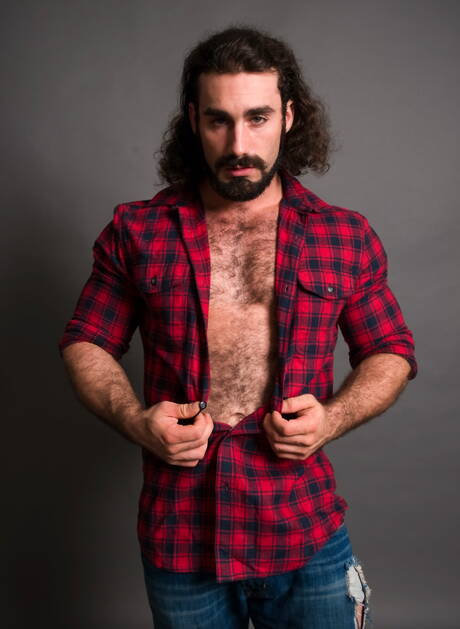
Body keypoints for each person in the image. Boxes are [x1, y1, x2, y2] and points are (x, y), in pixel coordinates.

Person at [59, 26, 417, 629]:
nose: (238, 144)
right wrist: (136, 422)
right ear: (193, 121)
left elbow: (390, 350)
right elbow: (87, 341)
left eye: (258, 118)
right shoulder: (137, 231)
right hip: (181, 531)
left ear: (289, 117)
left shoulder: (343, 236)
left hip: (303, 526)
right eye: (218, 121)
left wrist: (333, 419)